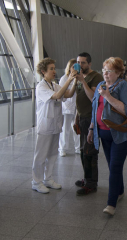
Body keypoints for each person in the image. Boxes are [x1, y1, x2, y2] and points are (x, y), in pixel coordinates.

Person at [87, 57, 127, 215]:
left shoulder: (123, 86)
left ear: (118, 72)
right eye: (104, 70)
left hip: (122, 133)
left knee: (115, 167)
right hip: (103, 133)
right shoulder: (100, 85)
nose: (105, 73)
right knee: (113, 166)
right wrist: (91, 128)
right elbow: (95, 108)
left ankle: (111, 204)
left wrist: (108, 97)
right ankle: (120, 191)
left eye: (109, 71)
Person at [32, 58, 77, 194]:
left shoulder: (54, 84)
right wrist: (69, 79)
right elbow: (57, 95)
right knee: (41, 155)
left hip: (55, 124)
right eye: (51, 69)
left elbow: (68, 94)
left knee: (52, 154)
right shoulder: (41, 87)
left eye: (54, 68)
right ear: (43, 72)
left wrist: (75, 80)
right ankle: (36, 181)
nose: (53, 71)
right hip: (45, 125)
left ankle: (48, 179)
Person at [74, 52, 103, 196]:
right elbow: (78, 99)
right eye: (78, 62)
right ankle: (87, 178)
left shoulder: (96, 77)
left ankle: (91, 183)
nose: (80, 65)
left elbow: (93, 98)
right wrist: (76, 118)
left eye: (83, 62)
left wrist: (82, 81)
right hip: (82, 118)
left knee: (90, 151)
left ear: (90, 64)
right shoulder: (81, 77)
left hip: (92, 119)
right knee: (82, 150)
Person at [58, 59, 80, 157]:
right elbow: (62, 92)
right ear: (69, 68)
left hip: (77, 107)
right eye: (73, 67)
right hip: (67, 106)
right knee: (65, 129)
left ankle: (78, 147)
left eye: (76, 67)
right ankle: (62, 148)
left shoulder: (80, 78)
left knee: (77, 127)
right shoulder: (64, 78)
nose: (74, 69)